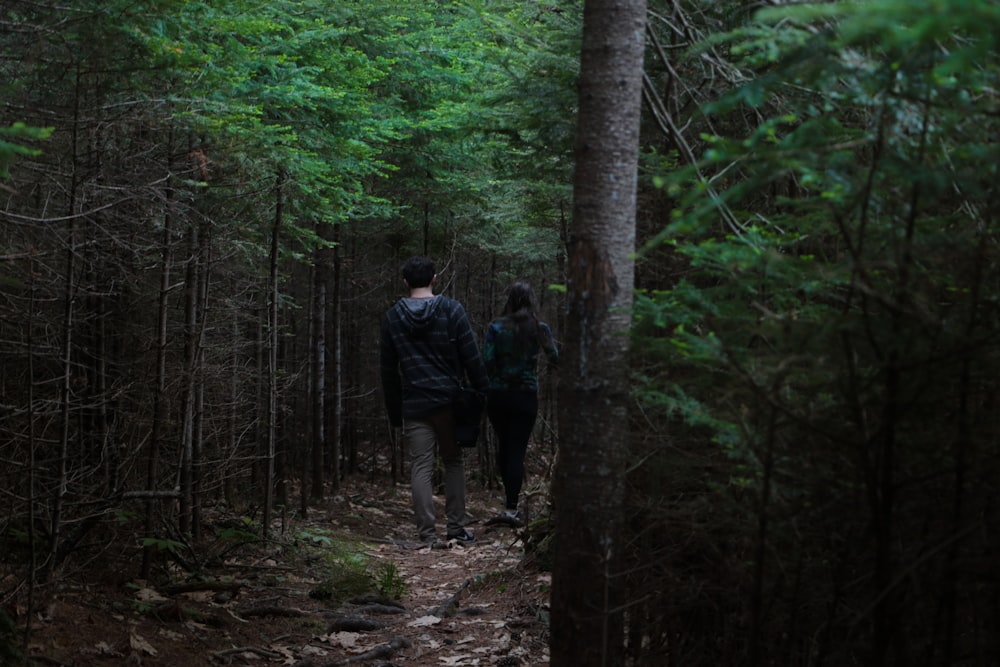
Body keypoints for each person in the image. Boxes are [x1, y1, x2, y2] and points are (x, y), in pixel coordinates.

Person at [379, 256, 489, 544]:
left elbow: (388, 371)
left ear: (405, 282)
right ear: (434, 278)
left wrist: (395, 413)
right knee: (453, 462)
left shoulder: (393, 318)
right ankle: (456, 529)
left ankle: (427, 534)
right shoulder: (452, 310)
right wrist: (484, 393)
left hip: (415, 403)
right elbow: (471, 357)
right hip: (449, 402)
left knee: (421, 466)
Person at [482, 282, 559, 526]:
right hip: (525, 395)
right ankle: (512, 507)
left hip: (498, 396)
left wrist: (499, 376)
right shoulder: (539, 328)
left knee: (505, 447)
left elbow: (487, 360)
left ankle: (509, 505)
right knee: (516, 449)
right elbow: (554, 357)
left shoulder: (495, 327)